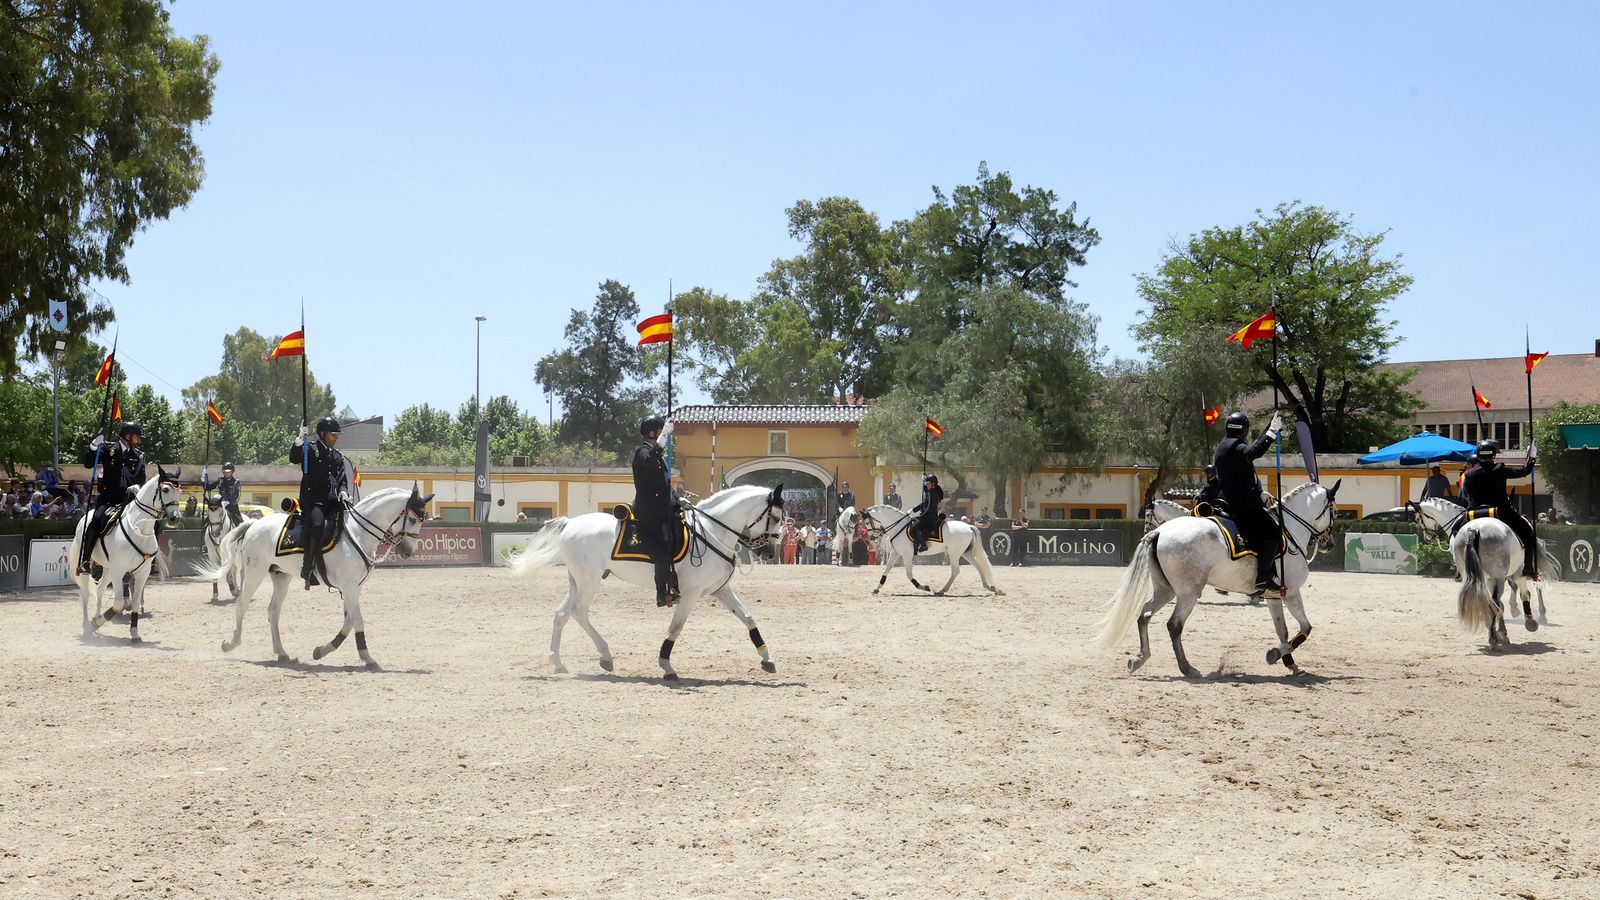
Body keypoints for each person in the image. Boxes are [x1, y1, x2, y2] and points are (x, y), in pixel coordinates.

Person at [1214, 410, 1285, 593]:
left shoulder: (1225, 446)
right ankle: (1263, 577)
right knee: (1274, 532)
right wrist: (1271, 433)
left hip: (1233, 500)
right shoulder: (1236, 447)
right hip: (1244, 505)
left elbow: (1251, 448)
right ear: (1244, 430)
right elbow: (1254, 451)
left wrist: (1271, 427)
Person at [1460, 440, 1539, 579]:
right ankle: (1527, 567)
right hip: (1501, 513)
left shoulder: (1469, 474)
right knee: (1527, 532)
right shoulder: (1499, 469)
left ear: (1478, 456)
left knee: (1456, 532)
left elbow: (1466, 495)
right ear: (1494, 455)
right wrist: (1532, 458)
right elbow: (1524, 471)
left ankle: (1458, 568)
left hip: (1475, 513)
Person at [77, 422, 148, 573]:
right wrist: (94, 446)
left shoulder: (138, 456)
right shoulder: (109, 450)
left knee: (149, 519)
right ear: (127, 436)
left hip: (128, 498)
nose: (139, 441)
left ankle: (147, 556)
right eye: (137, 437)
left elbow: (141, 478)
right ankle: (85, 559)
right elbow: (88, 464)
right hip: (109, 496)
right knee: (97, 519)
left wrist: (139, 488)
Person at [290, 417, 350, 590]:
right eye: (333, 434)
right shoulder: (310, 448)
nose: (336, 438)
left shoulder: (338, 456)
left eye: (337, 435)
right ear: (322, 434)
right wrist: (300, 440)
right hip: (313, 501)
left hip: (332, 501)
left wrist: (344, 492)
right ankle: (307, 568)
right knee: (317, 525)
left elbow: (341, 479)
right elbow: (294, 458)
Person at [631, 415, 679, 607]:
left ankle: (676, 582)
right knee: (661, 552)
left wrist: (677, 499)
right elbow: (649, 460)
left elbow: (665, 484)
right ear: (653, 433)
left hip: (662, 509)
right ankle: (662, 592)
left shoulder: (658, 458)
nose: (663, 435)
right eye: (661, 431)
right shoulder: (642, 452)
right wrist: (663, 439)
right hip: (648, 512)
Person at [910, 474, 944, 555]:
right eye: (926, 483)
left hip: (929, 517)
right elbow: (924, 501)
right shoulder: (931, 492)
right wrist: (913, 509)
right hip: (927, 516)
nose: (926, 484)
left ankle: (923, 545)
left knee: (915, 526)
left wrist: (920, 514)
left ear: (933, 484)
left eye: (927, 483)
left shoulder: (933, 494)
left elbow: (927, 507)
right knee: (913, 521)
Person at [205, 461, 244, 527]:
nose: (227, 473)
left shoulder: (235, 482)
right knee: (207, 520)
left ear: (232, 472)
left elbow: (234, 495)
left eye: (228, 472)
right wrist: (204, 481)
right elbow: (209, 488)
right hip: (220, 504)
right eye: (225, 472)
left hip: (231, 505)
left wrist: (226, 501)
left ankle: (241, 534)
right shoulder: (220, 480)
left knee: (239, 522)